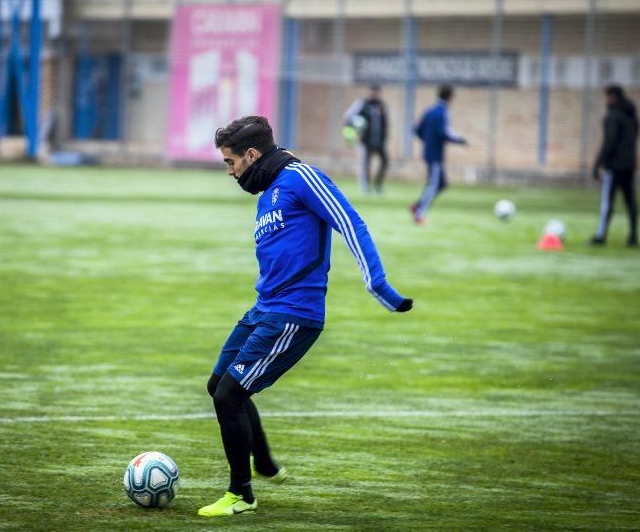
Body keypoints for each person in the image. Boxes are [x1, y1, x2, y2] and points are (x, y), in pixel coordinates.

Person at [198, 115, 412, 517]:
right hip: (264, 309)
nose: (230, 172)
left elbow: (350, 222)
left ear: (250, 154)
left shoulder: (302, 177)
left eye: (230, 163)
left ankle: (240, 495)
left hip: (293, 315)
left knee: (231, 395)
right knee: (218, 386)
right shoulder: (269, 193)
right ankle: (262, 464)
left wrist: (378, 283)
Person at [590, 84, 640, 246]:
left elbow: (609, 141)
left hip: (614, 166)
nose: (605, 100)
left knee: (607, 202)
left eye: (607, 96)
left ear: (612, 97)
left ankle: (601, 236)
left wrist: (598, 164)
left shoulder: (612, 116)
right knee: (630, 200)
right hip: (629, 165)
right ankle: (633, 237)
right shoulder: (631, 116)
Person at [410, 84, 467, 224]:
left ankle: (418, 205)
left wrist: (427, 140)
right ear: (450, 97)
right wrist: (459, 139)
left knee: (441, 184)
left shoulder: (430, 110)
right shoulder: (442, 112)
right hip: (435, 154)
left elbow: (417, 130)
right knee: (435, 184)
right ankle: (419, 213)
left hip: (429, 152)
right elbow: (443, 132)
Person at [343, 84, 389, 194]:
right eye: (373, 91)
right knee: (365, 164)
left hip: (379, 141)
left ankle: (378, 186)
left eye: (377, 92)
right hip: (365, 140)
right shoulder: (362, 103)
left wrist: (384, 137)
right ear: (369, 92)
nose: (375, 94)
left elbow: (385, 122)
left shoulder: (382, 106)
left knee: (385, 161)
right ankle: (365, 187)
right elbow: (348, 116)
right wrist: (354, 130)